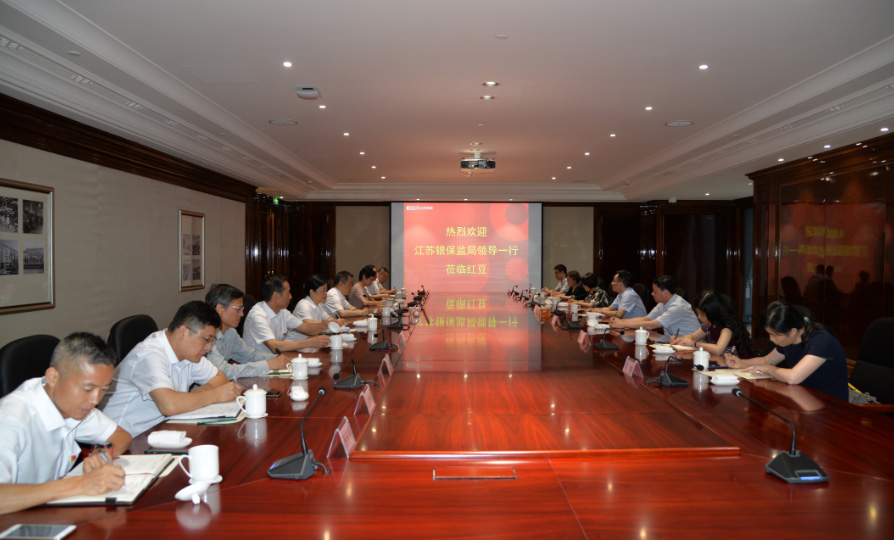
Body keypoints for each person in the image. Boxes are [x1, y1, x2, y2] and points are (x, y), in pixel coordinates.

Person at [0, 333, 133, 514]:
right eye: (87, 389)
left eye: (103, 389)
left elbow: (121, 436)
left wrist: (101, 453)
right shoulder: (11, 420)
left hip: (48, 513)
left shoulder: (72, 405)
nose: (95, 400)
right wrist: (79, 484)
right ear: (53, 377)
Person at [102, 301, 245, 437]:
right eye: (207, 339)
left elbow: (220, 377)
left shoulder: (189, 353)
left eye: (212, 341)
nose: (209, 347)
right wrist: (215, 395)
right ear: (183, 332)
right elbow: (169, 405)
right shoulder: (149, 355)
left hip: (162, 429)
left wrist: (200, 393)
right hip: (127, 439)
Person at [724, 301, 847, 401]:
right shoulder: (790, 340)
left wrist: (768, 368)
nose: (771, 339)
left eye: (774, 335)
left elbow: (793, 377)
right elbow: (767, 360)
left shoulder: (822, 340)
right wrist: (741, 362)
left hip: (830, 406)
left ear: (793, 331)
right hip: (804, 399)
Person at [204, 284, 290, 380]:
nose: (242, 314)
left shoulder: (230, 332)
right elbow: (224, 371)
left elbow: (250, 356)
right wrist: (268, 365)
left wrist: (277, 359)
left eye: (242, 309)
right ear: (220, 308)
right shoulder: (206, 337)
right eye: (238, 309)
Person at [242, 274, 331, 354]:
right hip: (259, 363)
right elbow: (274, 347)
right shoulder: (257, 316)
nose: (290, 296)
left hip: (275, 359)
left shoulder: (282, 311)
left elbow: (306, 328)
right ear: (276, 295)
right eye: (288, 292)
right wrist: (310, 342)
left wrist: (328, 325)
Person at [611, 275, 701, 337]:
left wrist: (622, 324)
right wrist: (620, 321)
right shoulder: (662, 303)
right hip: (674, 343)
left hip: (690, 346)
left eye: (655, 291)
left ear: (665, 292)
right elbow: (645, 319)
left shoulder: (677, 306)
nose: (652, 294)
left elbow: (652, 325)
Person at [671, 290, 753, 357]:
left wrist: (695, 343)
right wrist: (680, 340)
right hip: (719, 362)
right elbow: (692, 336)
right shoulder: (709, 325)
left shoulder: (726, 327)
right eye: (697, 313)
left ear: (713, 312)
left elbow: (718, 349)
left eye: (702, 315)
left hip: (735, 365)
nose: (699, 317)